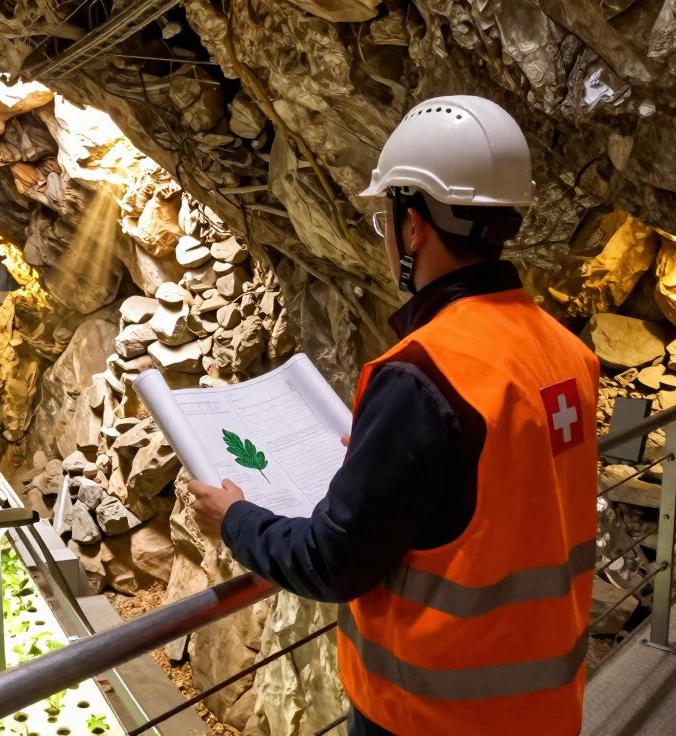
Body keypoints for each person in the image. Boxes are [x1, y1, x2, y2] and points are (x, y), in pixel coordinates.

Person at [188, 95, 600, 735]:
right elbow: (501, 492)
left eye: (387, 221)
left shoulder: (424, 374)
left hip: (432, 713)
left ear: (414, 228)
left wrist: (234, 519)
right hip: (542, 703)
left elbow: (333, 562)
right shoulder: (564, 350)